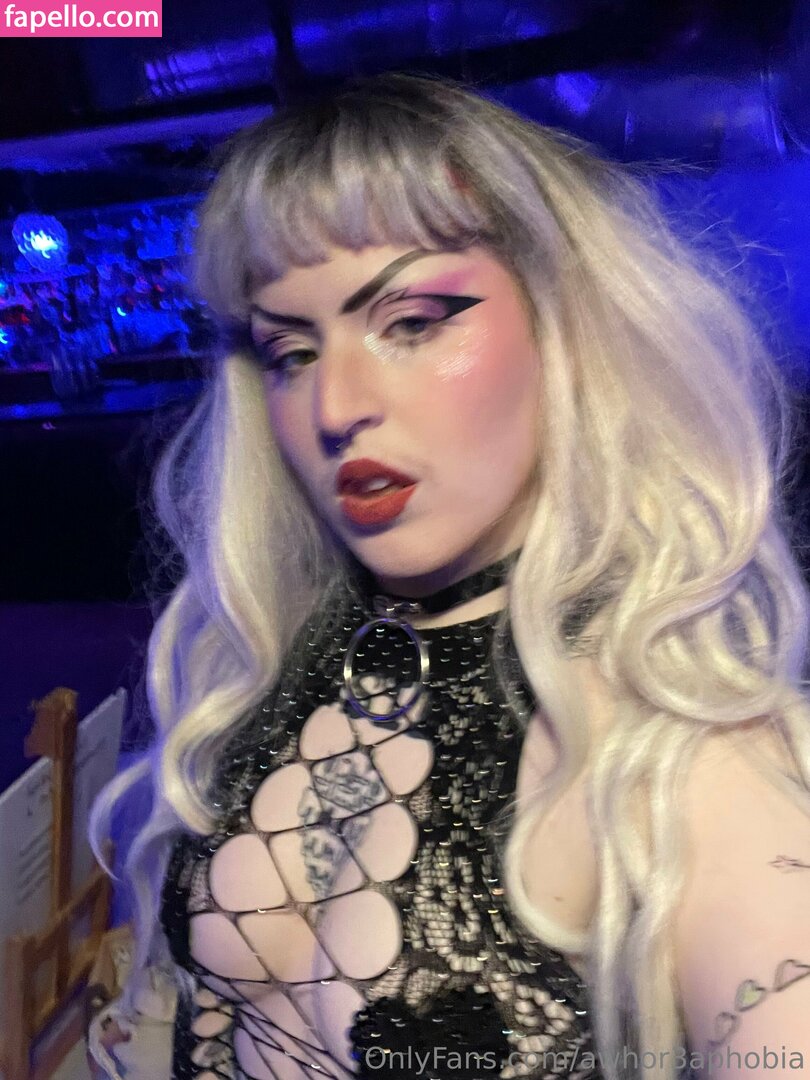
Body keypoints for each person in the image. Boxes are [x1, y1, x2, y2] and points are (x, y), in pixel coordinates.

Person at [88, 72, 810, 1080]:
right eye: (290, 351)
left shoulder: (689, 761)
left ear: (567, 324)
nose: (335, 407)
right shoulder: (279, 666)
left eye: (413, 322)